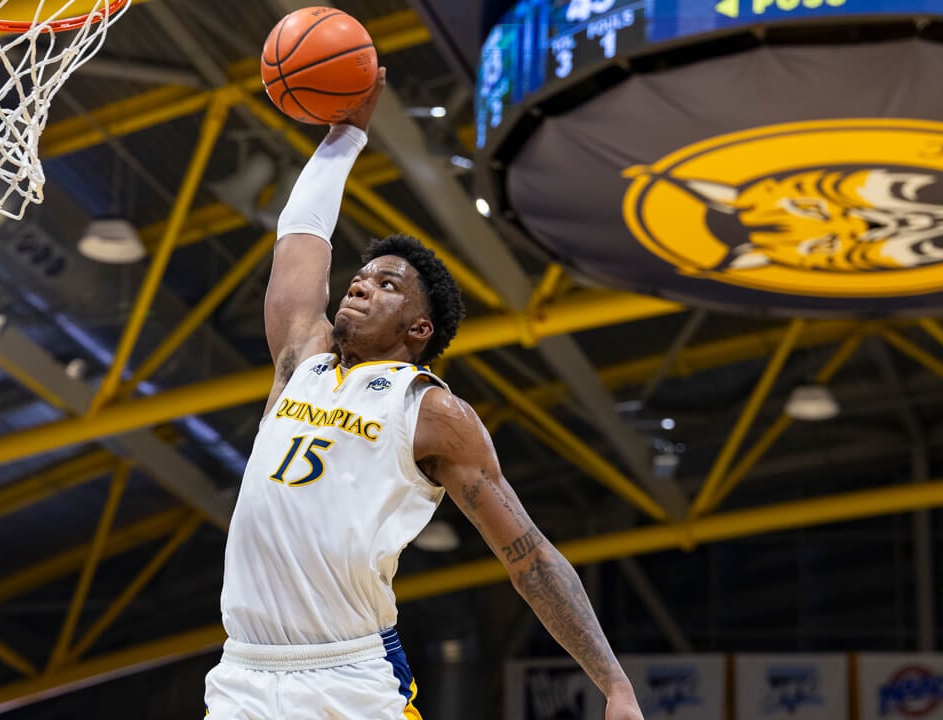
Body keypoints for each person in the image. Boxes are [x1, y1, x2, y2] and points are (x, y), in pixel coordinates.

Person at [204, 67, 644, 720]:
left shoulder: (432, 411)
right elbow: (300, 237)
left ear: (418, 328)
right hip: (243, 669)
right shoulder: (302, 357)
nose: (359, 284)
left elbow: (527, 555)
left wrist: (613, 682)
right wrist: (345, 135)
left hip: (348, 677)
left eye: (385, 284)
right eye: (360, 276)